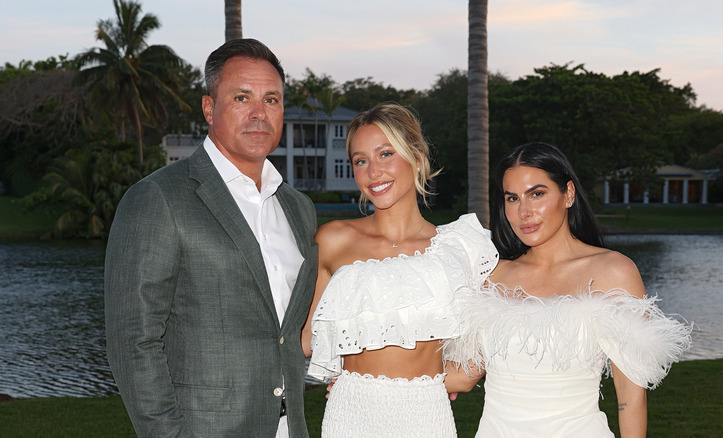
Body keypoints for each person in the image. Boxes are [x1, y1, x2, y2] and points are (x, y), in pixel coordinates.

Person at [104, 39, 318, 438]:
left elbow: (295, 331)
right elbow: (133, 341)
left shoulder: (298, 208)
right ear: (208, 108)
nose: (259, 113)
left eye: (271, 100)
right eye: (242, 97)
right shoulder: (158, 198)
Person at [444, 142, 692, 437]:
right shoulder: (492, 276)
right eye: (512, 198)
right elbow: (463, 376)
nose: (524, 211)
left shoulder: (612, 272)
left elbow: (630, 393)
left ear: (568, 194)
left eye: (537, 194)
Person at [301, 103, 498, 437]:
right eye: (360, 160)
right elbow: (308, 341)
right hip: (350, 412)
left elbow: (469, 367)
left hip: (426, 414)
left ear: (417, 159)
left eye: (385, 154)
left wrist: (418, 386)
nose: (372, 172)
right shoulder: (333, 240)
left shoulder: (460, 248)